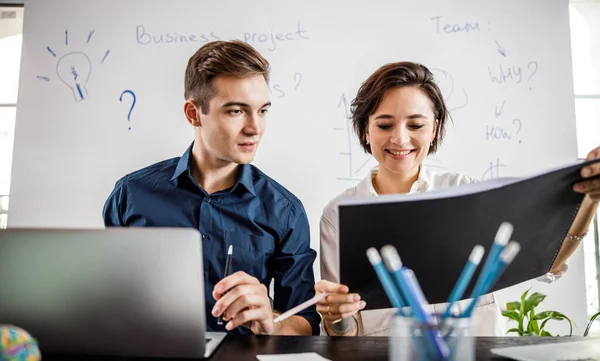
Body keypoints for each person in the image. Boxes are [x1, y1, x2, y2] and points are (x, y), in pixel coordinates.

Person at [316, 61, 600, 337]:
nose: (400, 139)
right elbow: (346, 333)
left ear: (435, 128)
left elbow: (545, 261)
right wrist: (337, 317)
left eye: (415, 125)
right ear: (366, 128)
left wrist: (590, 200)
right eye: (385, 125)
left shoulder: (468, 193)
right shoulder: (339, 214)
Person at [103, 40, 319, 336]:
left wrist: (271, 320)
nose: (255, 128)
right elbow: (109, 299)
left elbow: (305, 322)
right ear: (193, 113)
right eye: (236, 111)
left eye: (263, 110)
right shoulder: (130, 195)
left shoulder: (285, 211)